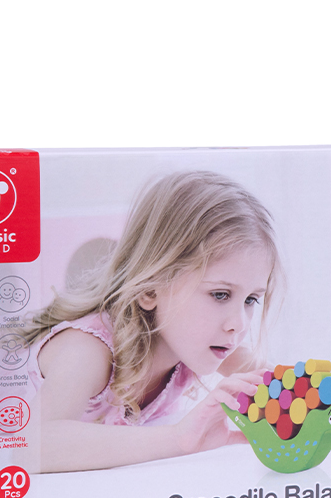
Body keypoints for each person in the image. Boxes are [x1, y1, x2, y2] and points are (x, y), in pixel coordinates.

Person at [24, 172, 281, 471]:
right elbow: (31, 447)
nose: (239, 324)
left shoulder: (201, 341)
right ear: (150, 289)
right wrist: (178, 438)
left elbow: (275, 381)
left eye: (251, 300)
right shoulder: (88, 350)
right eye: (220, 295)